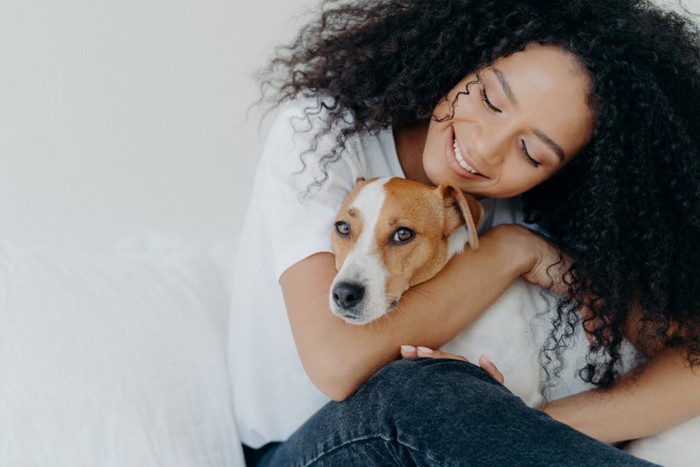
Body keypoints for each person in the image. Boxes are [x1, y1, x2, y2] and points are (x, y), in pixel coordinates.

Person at [229, 0, 700, 465]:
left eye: (531, 153)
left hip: (476, 436)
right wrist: (512, 251)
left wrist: (531, 423)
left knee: (441, 389)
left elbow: (693, 361)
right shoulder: (324, 137)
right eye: (491, 100)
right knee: (417, 386)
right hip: (299, 449)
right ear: (463, 58)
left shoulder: (537, 207)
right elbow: (337, 364)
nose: (484, 147)